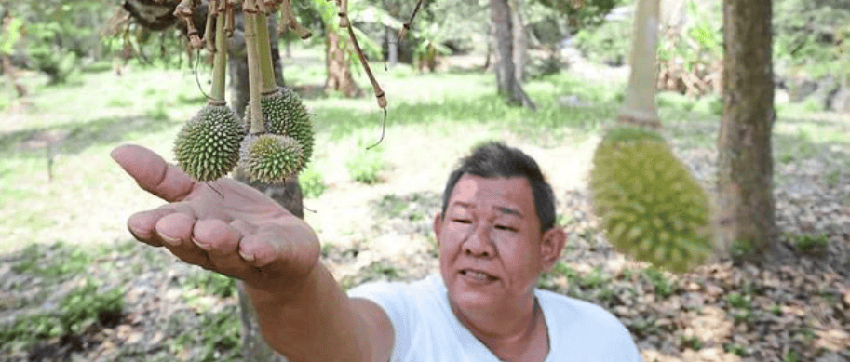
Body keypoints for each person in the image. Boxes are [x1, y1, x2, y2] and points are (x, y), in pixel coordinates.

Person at [115, 141, 641, 362]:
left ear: (550, 247)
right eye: (460, 221)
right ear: (437, 229)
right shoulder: (404, 319)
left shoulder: (603, 337)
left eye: (504, 226)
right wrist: (286, 284)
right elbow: (337, 340)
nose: (476, 245)